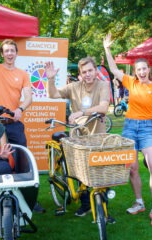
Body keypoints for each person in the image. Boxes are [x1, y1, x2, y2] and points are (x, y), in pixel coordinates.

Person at [0, 0, 45, 213]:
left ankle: (27, 199)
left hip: (13, 124)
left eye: (12, 50)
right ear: (2, 53)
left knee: (22, 161)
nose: (10, 53)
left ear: (16, 53)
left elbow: (29, 97)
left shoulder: (22, 74)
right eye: (6, 51)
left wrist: (21, 109)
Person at [103, 33, 152, 227]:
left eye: (144, 69)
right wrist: (107, 48)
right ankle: (140, 202)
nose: (141, 72)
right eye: (138, 69)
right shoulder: (130, 82)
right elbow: (113, 69)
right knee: (132, 168)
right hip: (129, 128)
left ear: (148, 70)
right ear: (135, 71)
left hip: (147, 129)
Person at [44, 58, 113, 221]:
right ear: (80, 74)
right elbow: (52, 94)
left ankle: (103, 210)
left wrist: (81, 113)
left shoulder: (102, 86)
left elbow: (104, 107)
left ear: (96, 70)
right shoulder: (74, 87)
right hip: (78, 138)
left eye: (90, 70)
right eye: (84, 72)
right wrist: (50, 79)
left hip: (97, 137)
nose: (88, 74)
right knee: (78, 172)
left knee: (101, 172)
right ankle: (85, 204)